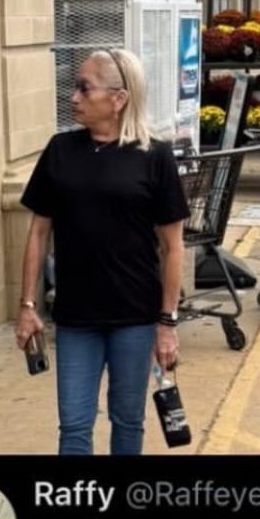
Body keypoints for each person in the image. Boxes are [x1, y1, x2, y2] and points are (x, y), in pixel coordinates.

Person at [14, 49, 187, 455]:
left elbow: (172, 246)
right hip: (76, 318)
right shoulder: (60, 150)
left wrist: (167, 323)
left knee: (128, 422)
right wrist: (27, 306)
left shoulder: (154, 156)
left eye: (83, 88)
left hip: (135, 318)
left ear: (119, 98)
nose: (73, 96)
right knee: (73, 427)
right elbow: (38, 233)